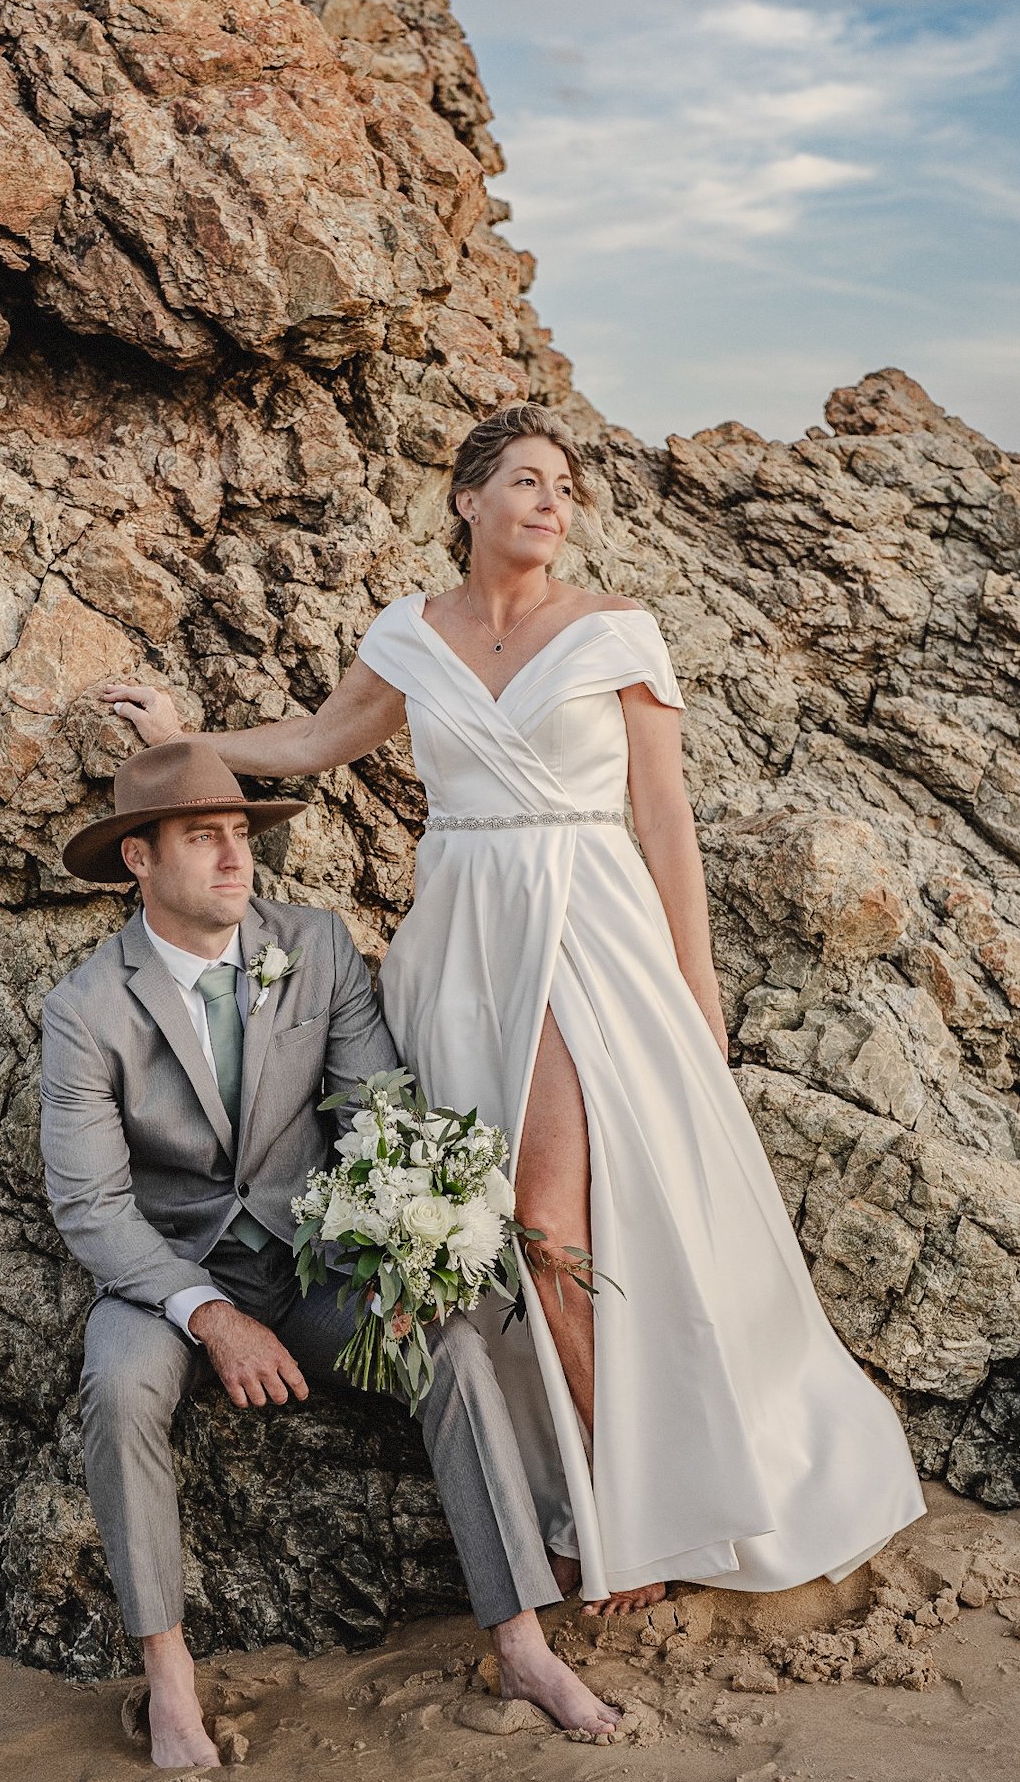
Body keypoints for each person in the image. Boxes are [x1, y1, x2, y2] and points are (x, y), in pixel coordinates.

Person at [103, 400, 927, 1621]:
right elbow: (324, 739)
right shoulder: (412, 633)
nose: (551, 503)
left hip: (589, 932)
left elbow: (665, 821)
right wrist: (187, 742)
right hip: (461, 947)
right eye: (528, 481)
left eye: (565, 488)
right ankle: (593, 1486)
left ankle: (627, 1513)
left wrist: (697, 991)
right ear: (467, 499)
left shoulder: (614, 631)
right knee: (502, 1242)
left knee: (556, 1224)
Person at [41, 738, 623, 1768]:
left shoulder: (311, 944)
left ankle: (522, 1642)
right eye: (202, 838)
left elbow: (376, 1112)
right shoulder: (87, 1007)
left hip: (315, 1265)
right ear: (138, 857)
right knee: (120, 1382)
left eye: (240, 835)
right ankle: (170, 1680)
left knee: (448, 1344)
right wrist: (210, 1315)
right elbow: (90, 1205)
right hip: (168, 1268)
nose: (235, 858)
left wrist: (406, 1256)